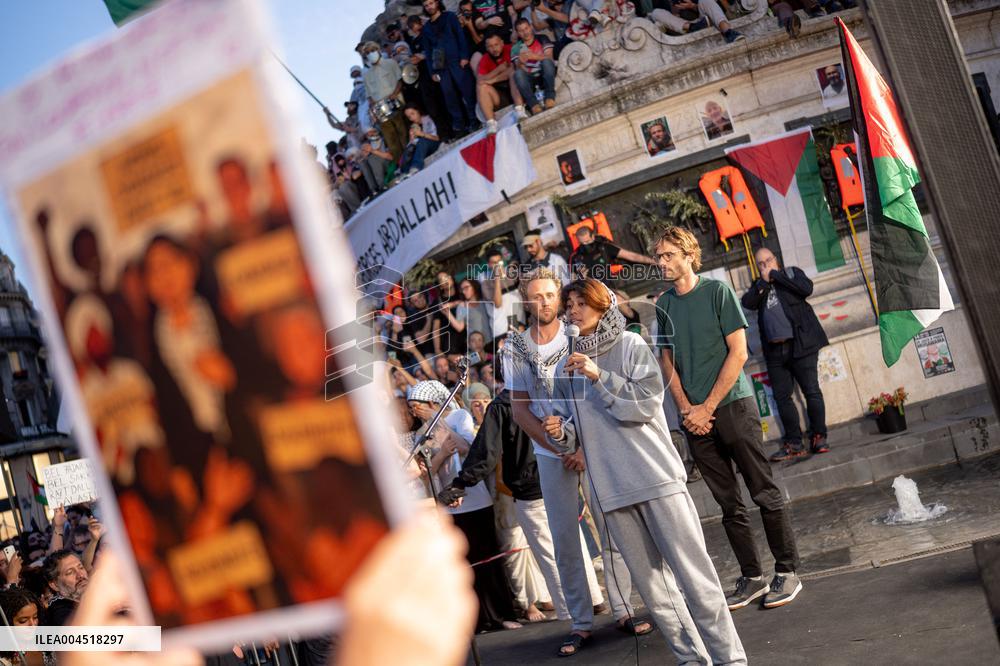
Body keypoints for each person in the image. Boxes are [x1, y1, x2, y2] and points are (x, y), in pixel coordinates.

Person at [542, 278, 746, 664]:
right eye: (568, 305)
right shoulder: (565, 370)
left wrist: (598, 375)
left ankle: (730, 660)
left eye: (579, 303)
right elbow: (575, 436)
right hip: (612, 491)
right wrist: (561, 433)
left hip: (657, 480)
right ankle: (693, 661)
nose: (571, 311)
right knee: (658, 597)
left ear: (602, 305)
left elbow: (642, 407)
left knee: (696, 581)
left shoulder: (630, 345)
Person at [653, 226, 803, 611]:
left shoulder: (716, 291)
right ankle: (752, 576)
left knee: (763, 491)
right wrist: (688, 409)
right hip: (695, 419)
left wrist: (707, 407)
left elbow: (738, 353)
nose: (661, 262)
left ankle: (786, 571)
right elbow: (666, 360)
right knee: (728, 505)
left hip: (733, 406)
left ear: (688, 254)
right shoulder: (664, 304)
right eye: (658, 256)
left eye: (668, 255)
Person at [505, 268, 646, 657]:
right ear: (526, 301)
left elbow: (591, 397)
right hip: (550, 454)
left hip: (593, 445)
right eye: (535, 296)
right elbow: (519, 411)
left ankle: (622, 609)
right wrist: (558, 448)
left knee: (611, 527)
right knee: (565, 539)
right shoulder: (515, 347)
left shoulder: (578, 337)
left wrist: (582, 446)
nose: (544, 302)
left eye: (550, 295)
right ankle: (581, 623)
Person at [407, 380, 523, 633]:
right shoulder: (420, 434)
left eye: (417, 406)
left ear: (432, 403)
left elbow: (469, 449)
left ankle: (503, 613)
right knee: (465, 564)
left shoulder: (458, 416)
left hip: (475, 497)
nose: (414, 411)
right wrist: (440, 453)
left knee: (489, 559)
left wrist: (439, 424)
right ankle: (479, 619)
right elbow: (428, 471)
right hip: (447, 503)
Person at [441, 380, 558, 624]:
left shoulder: (507, 409)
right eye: (476, 402)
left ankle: (555, 600)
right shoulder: (480, 423)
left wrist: (462, 483)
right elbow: (484, 453)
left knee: (539, 550)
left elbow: (491, 452)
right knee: (516, 550)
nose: (481, 406)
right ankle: (528, 603)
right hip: (503, 497)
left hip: (523, 487)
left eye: (485, 400)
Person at [741, 247, 830, 460]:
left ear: (776, 260)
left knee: (811, 391)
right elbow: (747, 302)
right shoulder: (758, 286)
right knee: (782, 397)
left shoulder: (791, 273)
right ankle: (794, 442)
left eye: (768, 261)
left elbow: (806, 288)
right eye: (760, 264)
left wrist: (776, 276)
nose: (765, 266)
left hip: (801, 345)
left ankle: (819, 436)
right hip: (775, 351)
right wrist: (763, 282)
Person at [422, 0, 479, 136]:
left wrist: (464, 56)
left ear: (436, 2)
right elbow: (428, 52)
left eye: (431, 3)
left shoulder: (449, 17)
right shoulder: (426, 28)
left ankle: (475, 119)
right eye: (426, 5)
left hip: (457, 60)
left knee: (467, 91)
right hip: (440, 65)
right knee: (450, 97)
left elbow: (460, 36)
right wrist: (432, 72)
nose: (429, 7)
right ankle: (460, 126)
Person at [361, 41, 408, 161]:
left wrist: (395, 94)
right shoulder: (367, 75)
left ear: (378, 50)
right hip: (380, 111)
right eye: (367, 53)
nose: (370, 54)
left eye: (372, 51)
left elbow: (400, 80)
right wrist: (373, 107)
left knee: (403, 131)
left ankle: (410, 155)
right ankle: (400, 162)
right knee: (390, 139)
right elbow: (369, 95)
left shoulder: (390, 63)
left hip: (396, 103)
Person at [476, 31, 528, 134]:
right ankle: (491, 124)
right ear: (486, 48)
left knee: (513, 73)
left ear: (502, 43)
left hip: (517, 88)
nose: (494, 49)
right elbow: (480, 80)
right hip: (499, 95)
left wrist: (492, 80)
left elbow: (514, 68)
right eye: (490, 46)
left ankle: (519, 111)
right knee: (482, 87)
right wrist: (499, 69)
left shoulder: (511, 49)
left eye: (496, 44)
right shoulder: (485, 59)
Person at [569, 226, 657, 282]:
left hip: (609, 286)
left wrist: (654, 261)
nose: (585, 245)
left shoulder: (603, 247)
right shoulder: (576, 257)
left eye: (587, 241)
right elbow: (573, 280)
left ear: (593, 236)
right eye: (582, 242)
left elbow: (632, 256)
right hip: (591, 292)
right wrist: (580, 278)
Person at [511, 18, 557, 115]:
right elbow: (519, 70)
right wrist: (520, 62)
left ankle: (550, 97)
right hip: (530, 78)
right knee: (518, 73)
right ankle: (533, 105)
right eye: (521, 30)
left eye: (526, 28)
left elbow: (550, 58)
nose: (525, 32)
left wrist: (535, 57)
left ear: (531, 27)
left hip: (545, 73)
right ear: (518, 33)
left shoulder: (542, 38)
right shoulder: (515, 48)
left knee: (546, 63)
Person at [43, 550, 89, 626]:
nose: (80, 575)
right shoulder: (61, 614)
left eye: (81, 567)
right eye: (70, 572)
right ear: (54, 585)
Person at [400, 104, 441, 175]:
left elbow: (436, 138)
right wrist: (412, 139)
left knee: (422, 141)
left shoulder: (427, 120)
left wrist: (421, 134)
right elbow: (412, 147)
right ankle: (404, 172)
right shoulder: (413, 127)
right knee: (409, 148)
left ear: (418, 111)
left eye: (413, 113)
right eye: (409, 117)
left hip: (433, 144)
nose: (412, 118)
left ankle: (416, 167)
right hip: (423, 150)